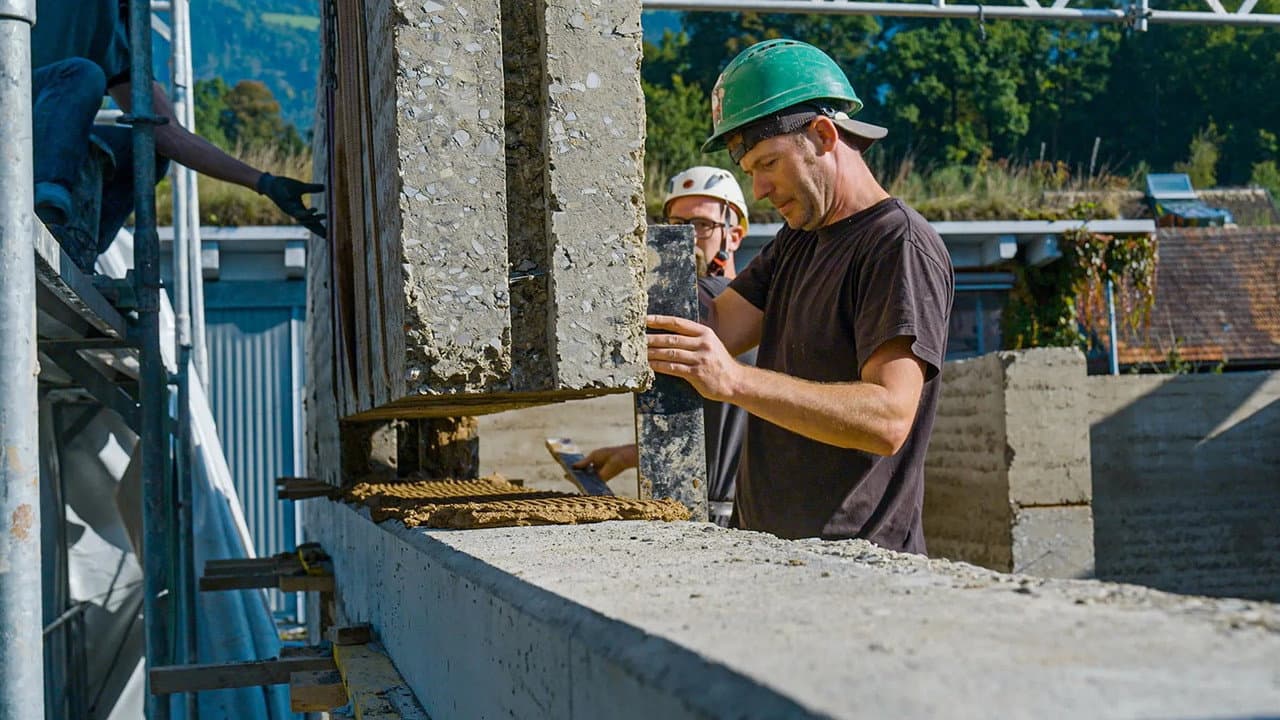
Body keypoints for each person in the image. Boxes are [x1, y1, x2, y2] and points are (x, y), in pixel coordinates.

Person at [644, 39, 954, 554]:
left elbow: (888, 418)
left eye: (768, 162)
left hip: (855, 565)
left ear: (823, 135)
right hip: (773, 554)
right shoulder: (800, 240)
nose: (760, 189)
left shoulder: (897, 245)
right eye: (751, 172)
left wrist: (735, 380)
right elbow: (719, 324)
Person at [30, 0, 324, 272]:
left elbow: (167, 133)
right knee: (83, 75)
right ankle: (46, 216)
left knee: (142, 150)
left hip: (44, 143)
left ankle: (77, 247)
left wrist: (264, 182)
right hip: (10, 121)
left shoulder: (113, 28)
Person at [577, 166, 757, 526]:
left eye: (702, 225)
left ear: (733, 236)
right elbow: (708, 424)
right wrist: (635, 454)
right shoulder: (719, 310)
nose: (687, 237)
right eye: (677, 224)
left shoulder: (719, 305)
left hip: (729, 513)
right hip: (701, 503)